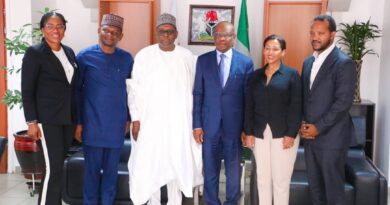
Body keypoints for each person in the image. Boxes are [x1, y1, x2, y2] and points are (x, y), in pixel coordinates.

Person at [127, 13, 202, 205]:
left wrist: (195, 123)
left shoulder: (188, 58)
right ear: (156, 32)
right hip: (151, 122)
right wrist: (136, 119)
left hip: (179, 123)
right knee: (151, 166)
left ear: (176, 33)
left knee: (176, 166)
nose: (166, 36)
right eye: (162, 32)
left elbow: (196, 91)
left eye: (170, 32)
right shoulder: (144, 56)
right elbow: (134, 90)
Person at [74, 14, 133, 205]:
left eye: (115, 32)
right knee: (91, 173)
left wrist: (130, 118)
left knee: (111, 173)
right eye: (106, 30)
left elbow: (131, 92)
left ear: (121, 36)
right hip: (92, 125)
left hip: (116, 126)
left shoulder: (126, 59)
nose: (110, 35)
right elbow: (76, 92)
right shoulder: (84, 57)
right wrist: (79, 123)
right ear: (99, 30)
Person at [193, 21, 254, 205]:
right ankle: (211, 202)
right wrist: (197, 125)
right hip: (209, 126)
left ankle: (231, 202)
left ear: (233, 38)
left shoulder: (245, 62)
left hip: (234, 128)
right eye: (217, 34)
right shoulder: (203, 61)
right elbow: (198, 94)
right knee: (210, 170)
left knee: (233, 171)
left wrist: (246, 128)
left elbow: (248, 98)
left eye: (225, 35)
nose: (221, 38)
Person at [21, 12, 77, 205]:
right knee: (53, 169)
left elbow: (72, 86)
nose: (56, 30)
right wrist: (31, 122)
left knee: (57, 168)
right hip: (47, 120)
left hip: (67, 119)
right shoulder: (35, 53)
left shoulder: (69, 52)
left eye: (60, 26)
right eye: (51, 26)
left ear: (64, 29)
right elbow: (27, 90)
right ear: (42, 29)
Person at [299, 14, 356, 205]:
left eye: (320, 33)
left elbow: (342, 103)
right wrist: (303, 124)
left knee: (332, 191)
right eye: (312, 33)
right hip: (309, 138)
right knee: (315, 188)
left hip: (332, 138)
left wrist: (318, 127)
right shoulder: (308, 62)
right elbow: (305, 97)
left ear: (332, 35)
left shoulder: (343, 62)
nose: (315, 37)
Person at [244, 34, 301, 205]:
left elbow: (296, 106)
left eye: (275, 49)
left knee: (281, 181)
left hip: (283, 135)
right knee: (262, 179)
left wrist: (291, 134)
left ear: (283, 52)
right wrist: (248, 132)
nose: (270, 52)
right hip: (259, 133)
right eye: (267, 48)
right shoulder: (255, 76)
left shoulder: (292, 74)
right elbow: (249, 106)